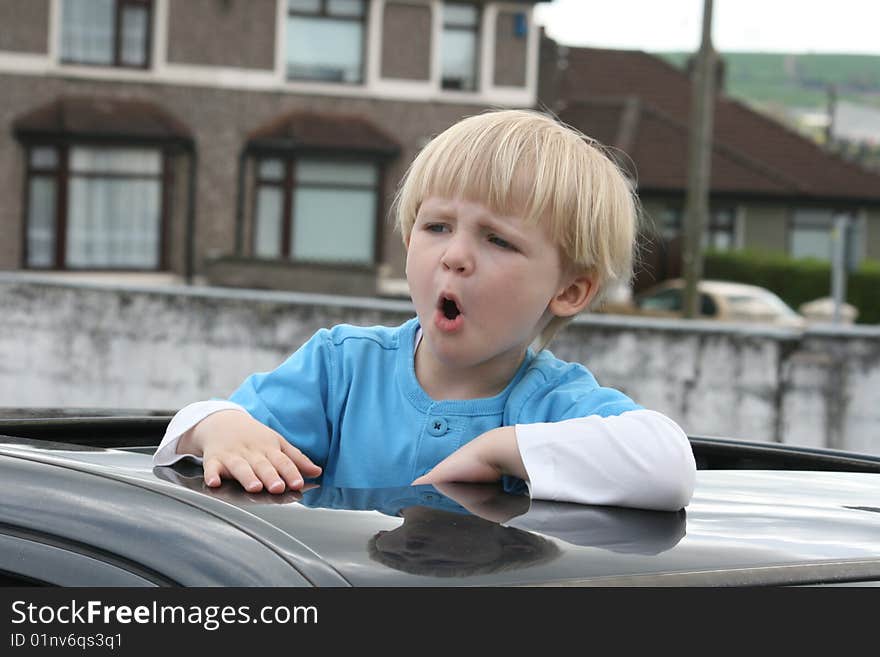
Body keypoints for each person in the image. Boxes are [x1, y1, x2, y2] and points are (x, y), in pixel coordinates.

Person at [153, 109, 696, 511]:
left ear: (571, 291)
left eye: (498, 241)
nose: (455, 255)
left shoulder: (552, 403)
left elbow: (668, 465)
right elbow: (202, 430)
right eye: (436, 226)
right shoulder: (341, 368)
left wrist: (503, 450)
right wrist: (216, 426)